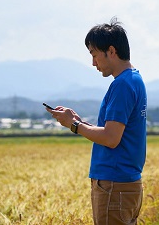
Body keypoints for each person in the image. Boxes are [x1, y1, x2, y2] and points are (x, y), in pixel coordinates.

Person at [47, 17, 147, 225]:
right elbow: (115, 130)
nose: (93, 63)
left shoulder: (121, 85)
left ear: (111, 51)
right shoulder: (134, 80)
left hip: (114, 183)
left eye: (94, 55)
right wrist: (78, 121)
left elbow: (111, 138)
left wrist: (74, 126)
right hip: (126, 183)